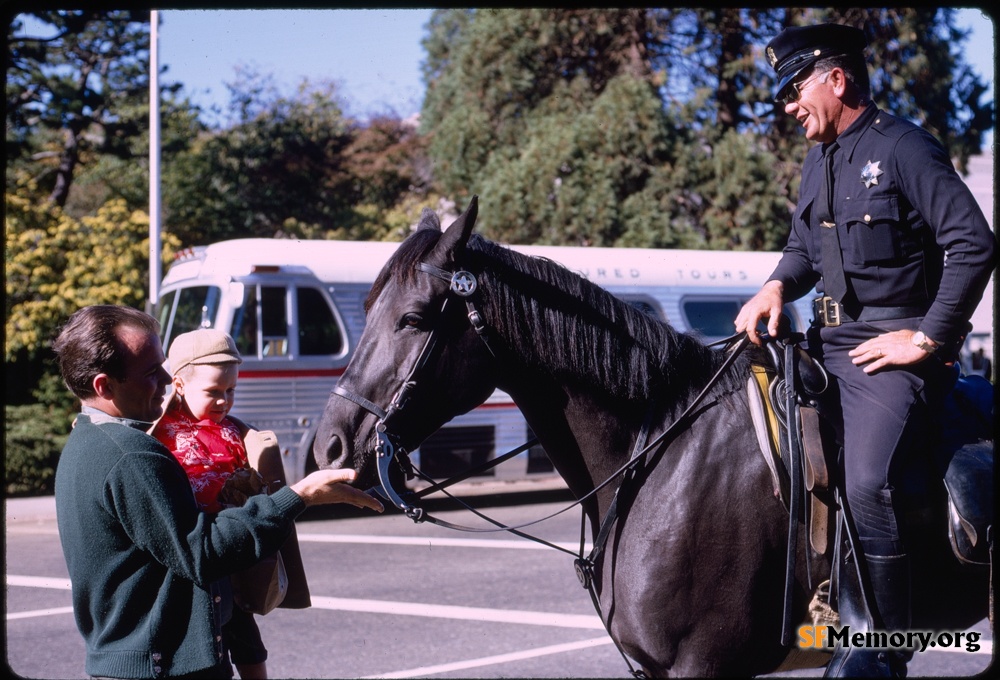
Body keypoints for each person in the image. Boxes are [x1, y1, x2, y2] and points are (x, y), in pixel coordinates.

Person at [735, 23, 996, 678]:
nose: (789, 105)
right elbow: (803, 252)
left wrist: (929, 337)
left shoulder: (904, 148)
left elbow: (973, 243)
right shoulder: (817, 160)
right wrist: (773, 287)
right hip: (828, 337)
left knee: (865, 479)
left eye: (795, 89)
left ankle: (879, 649)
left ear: (837, 79)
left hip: (893, 348)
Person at [52, 305, 384, 679]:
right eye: (150, 372)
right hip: (166, 668)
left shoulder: (85, 441)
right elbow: (202, 552)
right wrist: (299, 496)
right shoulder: (131, 453)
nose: (165, 379)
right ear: (104, 385)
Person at [149, 328, 290, 680]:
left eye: (231, 391)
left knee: (248, 641)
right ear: (178, 385)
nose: (224, 401)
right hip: (196, 559)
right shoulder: (159, 434)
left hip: (233, 552)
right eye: (213, 392)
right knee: (208, 648)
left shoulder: (231, 430)